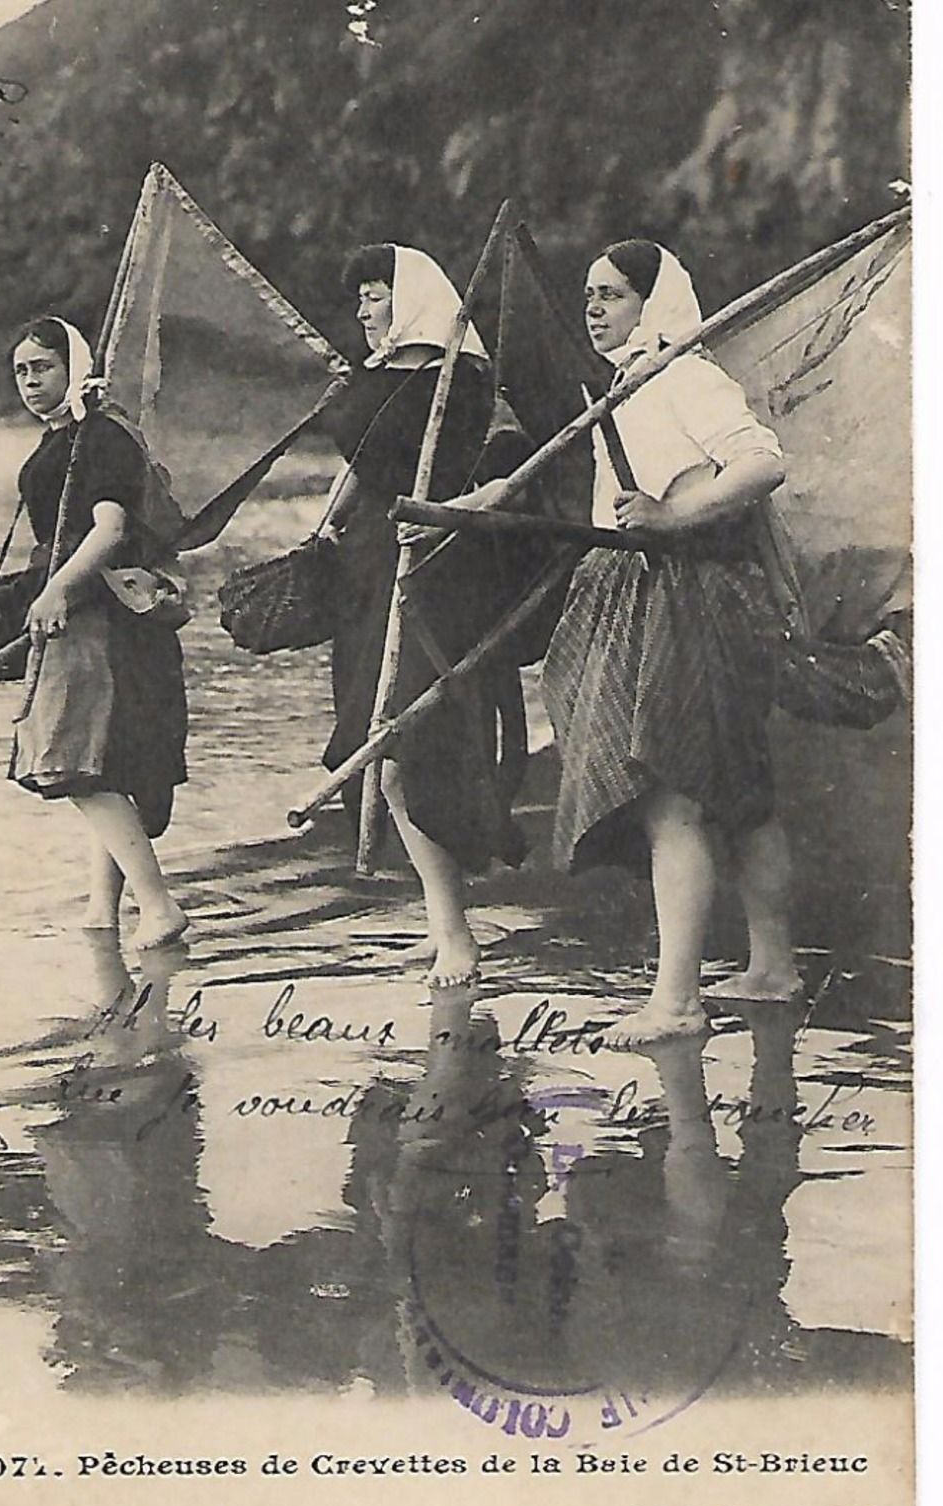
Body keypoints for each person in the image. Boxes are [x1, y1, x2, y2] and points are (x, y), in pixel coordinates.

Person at [539, 240, 801, 1046]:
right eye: (588, 294)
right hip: (662, 589)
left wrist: (673, 516)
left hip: (691, 593)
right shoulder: (622, 389)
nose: (593, 309)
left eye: (611, 295)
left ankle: (677, 1003)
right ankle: (772, 967)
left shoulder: (683, 373)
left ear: (654, 305)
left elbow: (762, 462)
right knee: (737, 792)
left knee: (672, 796)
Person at [318, 243, 526, 989]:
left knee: (404, 737)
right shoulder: (377, 376)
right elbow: (363, 463)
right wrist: (324, 526)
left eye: (376, 294)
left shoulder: (459, 381)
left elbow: (498, 464)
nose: (364, 309)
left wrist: (448, 512)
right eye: (361, 298)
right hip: (369, 560)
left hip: (432, 559)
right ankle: (446, 922)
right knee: (373, 738)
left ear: (409, 297)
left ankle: (454, 929)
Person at [9, 316, 189, 950]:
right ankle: (102, 908)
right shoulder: (66, 437)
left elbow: (109, 528)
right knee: (99, 762)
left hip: (103, 619)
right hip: (85, 615)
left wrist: (57, 587)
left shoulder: (102, 437)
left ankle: (160, 907)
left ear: (74, 367)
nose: (31, 382)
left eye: (42, 368)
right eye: (21, 373)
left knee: (74, 764)